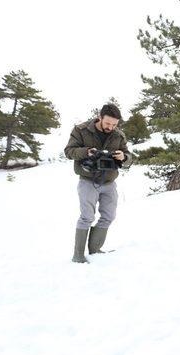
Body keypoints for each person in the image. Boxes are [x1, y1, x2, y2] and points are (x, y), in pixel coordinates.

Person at [64, 104, 132, 263]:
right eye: (108, 123)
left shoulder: (119, 135)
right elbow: (69, 151)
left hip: (109, 182)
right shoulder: (81, 130)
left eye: (114, 124)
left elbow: (129, 157)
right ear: (100, 117)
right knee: (87, 217)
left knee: (109, 216)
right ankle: (78, 256)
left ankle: (95, 251)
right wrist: (86, 152)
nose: (111, 127)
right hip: (88, 180)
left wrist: (124, 157)